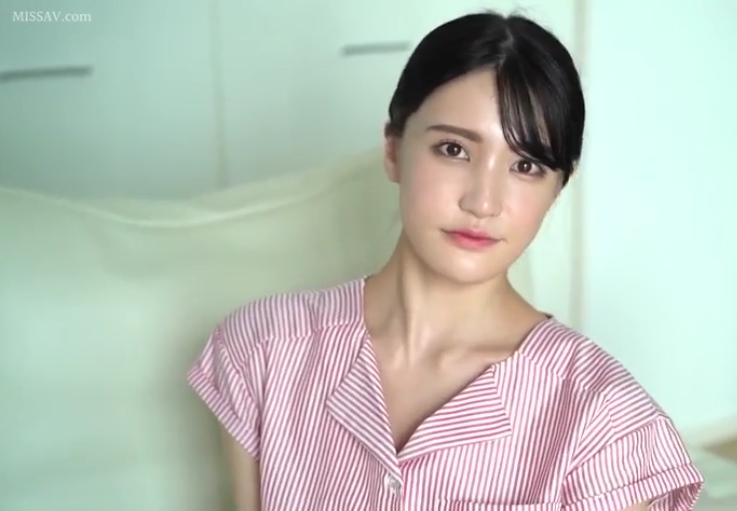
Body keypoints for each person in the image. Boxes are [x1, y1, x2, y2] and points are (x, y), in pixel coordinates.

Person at [187, 11, 704, 511]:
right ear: (393, 151)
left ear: (557, 188)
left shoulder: (605, 420)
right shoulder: (262, 351)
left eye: (526, 165)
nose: (483, 202)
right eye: (454, 149)